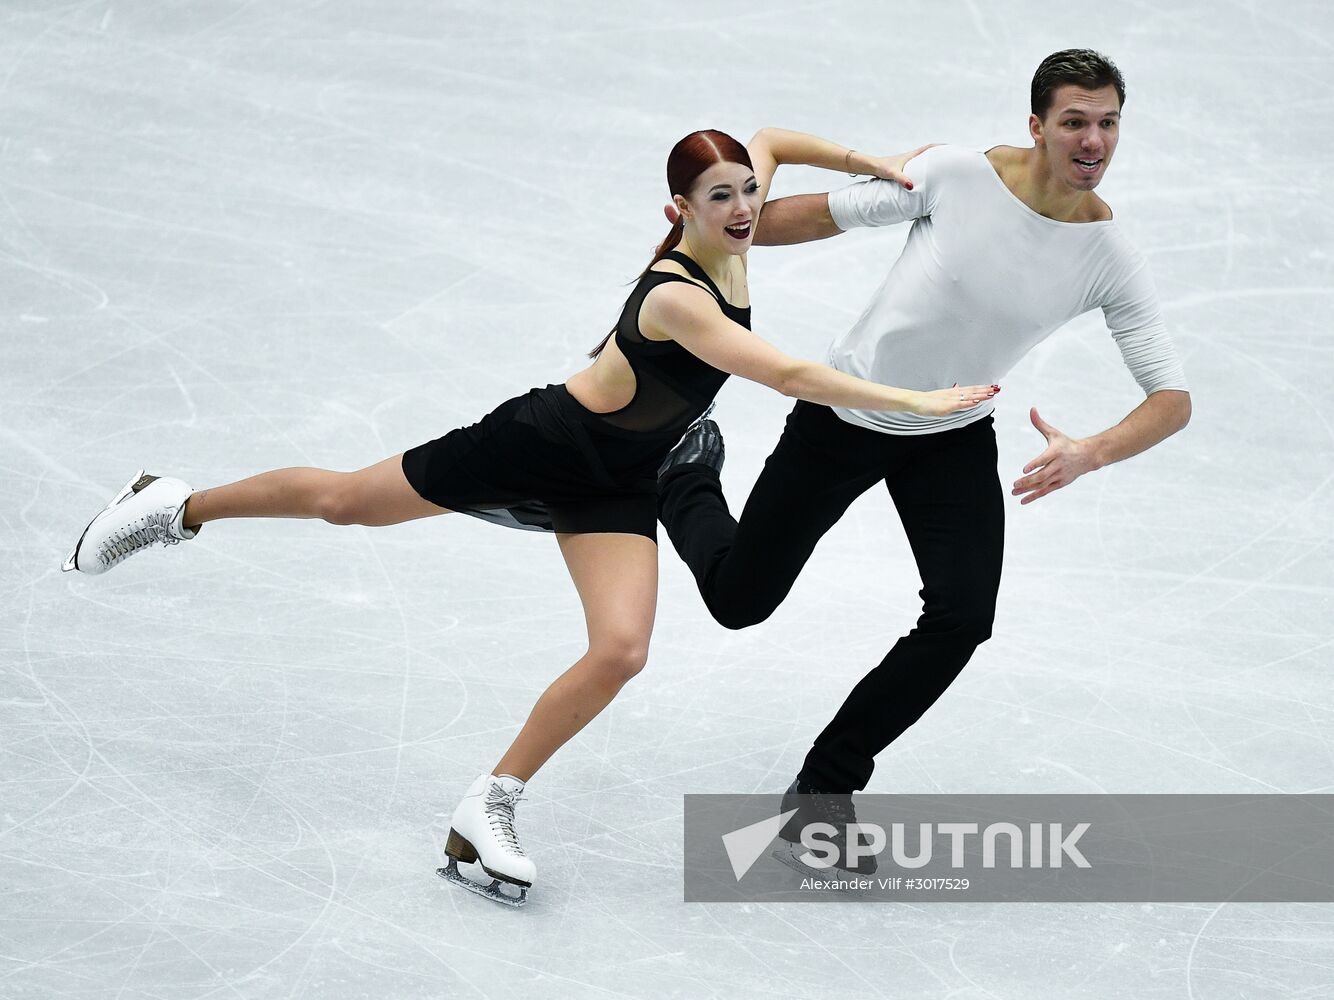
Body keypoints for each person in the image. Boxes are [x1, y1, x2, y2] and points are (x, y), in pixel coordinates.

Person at [60, 128, 997, 906]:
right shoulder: (678, 295)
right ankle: (175, 506)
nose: (745, 208)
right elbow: (788, 375)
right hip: (539, 442)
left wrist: (872, 167)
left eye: (748, 191)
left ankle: (490, 802)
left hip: (626, 475)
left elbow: (780, 137)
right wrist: (915, 404)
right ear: (679, 211)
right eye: (720, 197)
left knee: (622, 649)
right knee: (348, 503)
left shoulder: (741, 224)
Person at [656, 50, 1192, 876]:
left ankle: (823, 793)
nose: (1094, 139)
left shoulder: (1107, 254)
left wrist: (1090, 451)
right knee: (738, 603)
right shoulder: (954, 176)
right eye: (1075, 121)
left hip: (951, 431)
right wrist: (715, 230)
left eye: (1109, 121)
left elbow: (1172, 399)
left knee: (962, 615)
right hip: (843, 412)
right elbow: (795, 220)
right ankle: (684, 475)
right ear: (1037, 126)